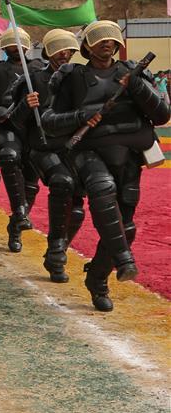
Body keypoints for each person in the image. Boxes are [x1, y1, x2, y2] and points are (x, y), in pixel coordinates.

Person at [43, 20, 169, 311]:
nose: (107, 43)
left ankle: (97, 279)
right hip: (89, 153)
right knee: (102, 189)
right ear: (86, 46)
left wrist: (136, 85)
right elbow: (49, 122)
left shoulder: (133, 72)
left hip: (129, 155)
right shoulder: (72, 77)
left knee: (126, 227)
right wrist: (80, 116)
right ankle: (125, 261)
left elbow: (161, 115)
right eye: (99, 39)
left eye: (111, 38)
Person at [6, 29, 86, 282]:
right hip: (41, 147)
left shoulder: (79, 77)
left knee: (77, 208)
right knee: (61, 183)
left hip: (72, 148)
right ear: (48, 51)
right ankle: (30, 234)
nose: (64, 54)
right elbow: (15, 121)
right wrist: (25, 105)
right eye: (58, 49)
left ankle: (57, 250)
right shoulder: (32, 81)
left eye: (68, 50)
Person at [0, 28, 43, 252]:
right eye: (11, 44)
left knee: (31, 182)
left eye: (20, 43)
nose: (16, 47)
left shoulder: (38, 68)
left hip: (33, 128)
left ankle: (16, 226)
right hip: (7, 127)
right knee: (8, 157)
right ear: (4, 47)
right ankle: (19, 211)